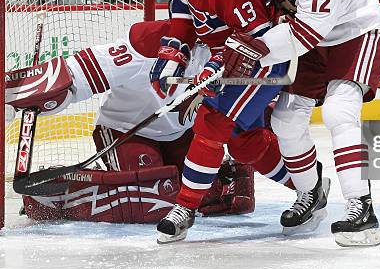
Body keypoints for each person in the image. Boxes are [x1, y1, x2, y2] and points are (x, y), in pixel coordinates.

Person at [5, 19, 294, 223]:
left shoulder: (230, 52)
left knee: (205, 194)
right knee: (153, 197)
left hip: (180, 134)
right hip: (124, 132)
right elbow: (74, 75)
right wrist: (14, 96)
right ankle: (59, 195)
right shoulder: (146, 45)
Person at [237, 0, 380, 246]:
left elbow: (303, 36)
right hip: (308, 36)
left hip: (356, 32)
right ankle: (311, 193)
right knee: (286, 120)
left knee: (340, 112)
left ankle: (360, 207)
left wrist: (252, 50)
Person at [150, 0, 288, 244]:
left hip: (265, 57)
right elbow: (184, 3)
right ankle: (310, 185)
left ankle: (184, 208)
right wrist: (172, 52)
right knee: (244, 144)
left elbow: (256, 37)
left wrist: (215, 66)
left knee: (212, 120)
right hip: (229, 54)